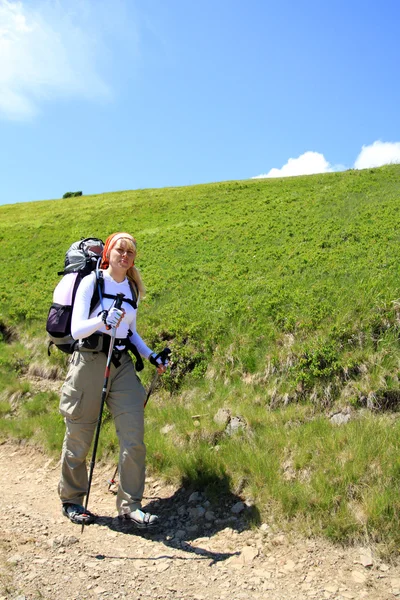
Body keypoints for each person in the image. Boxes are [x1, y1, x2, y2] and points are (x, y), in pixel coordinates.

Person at [58, 232, 167, 528]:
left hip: (120, 364)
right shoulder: (91, 282)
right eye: (121, 250)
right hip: (89, 362)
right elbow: (77, 328)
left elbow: (130, 331)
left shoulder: (132, 288)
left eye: (131, 252)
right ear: (109, 252)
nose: (126, 256)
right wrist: (101, 321)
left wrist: (151, 355)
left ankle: (130, 505)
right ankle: (72, 500)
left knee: (134, 437)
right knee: (80, 435)